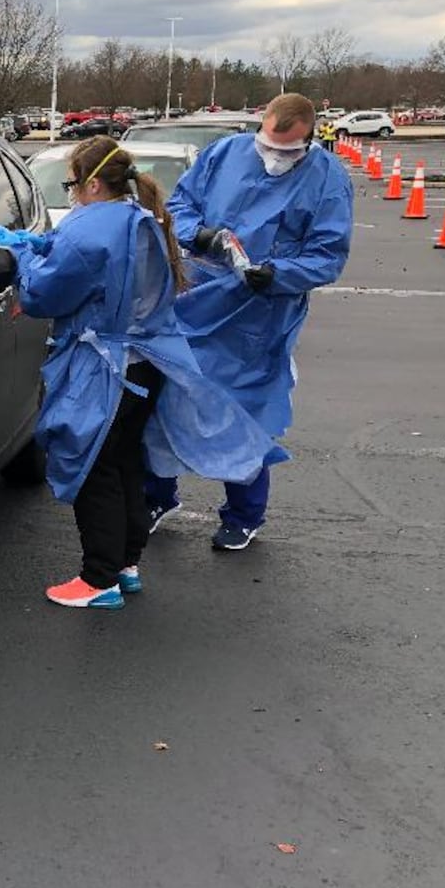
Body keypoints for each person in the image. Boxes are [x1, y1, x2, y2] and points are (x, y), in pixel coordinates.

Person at [3, 138, 275, 609]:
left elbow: (49, 293)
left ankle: (98, 579)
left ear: (91, 183)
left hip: (105, 369)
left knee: (94, 469)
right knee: (126, 462)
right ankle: (126, 565)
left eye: (71, 184)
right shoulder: (141, 218)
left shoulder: (90, 226)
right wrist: (46, 244)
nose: (71, 194)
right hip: (145, 364)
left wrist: (22, 260)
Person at [144, 92, 353, 550]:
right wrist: (197, 235)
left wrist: (277, 275)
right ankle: (157, 495)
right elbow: (180, 205)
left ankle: (243, 514)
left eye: (288, 151)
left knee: (243, 415)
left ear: (310, 140)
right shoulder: (224, 154)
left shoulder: (327, 178)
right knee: (168, 400)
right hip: (197, 300)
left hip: (259, 316)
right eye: (269, 147)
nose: (275, 160)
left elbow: (328, 255)